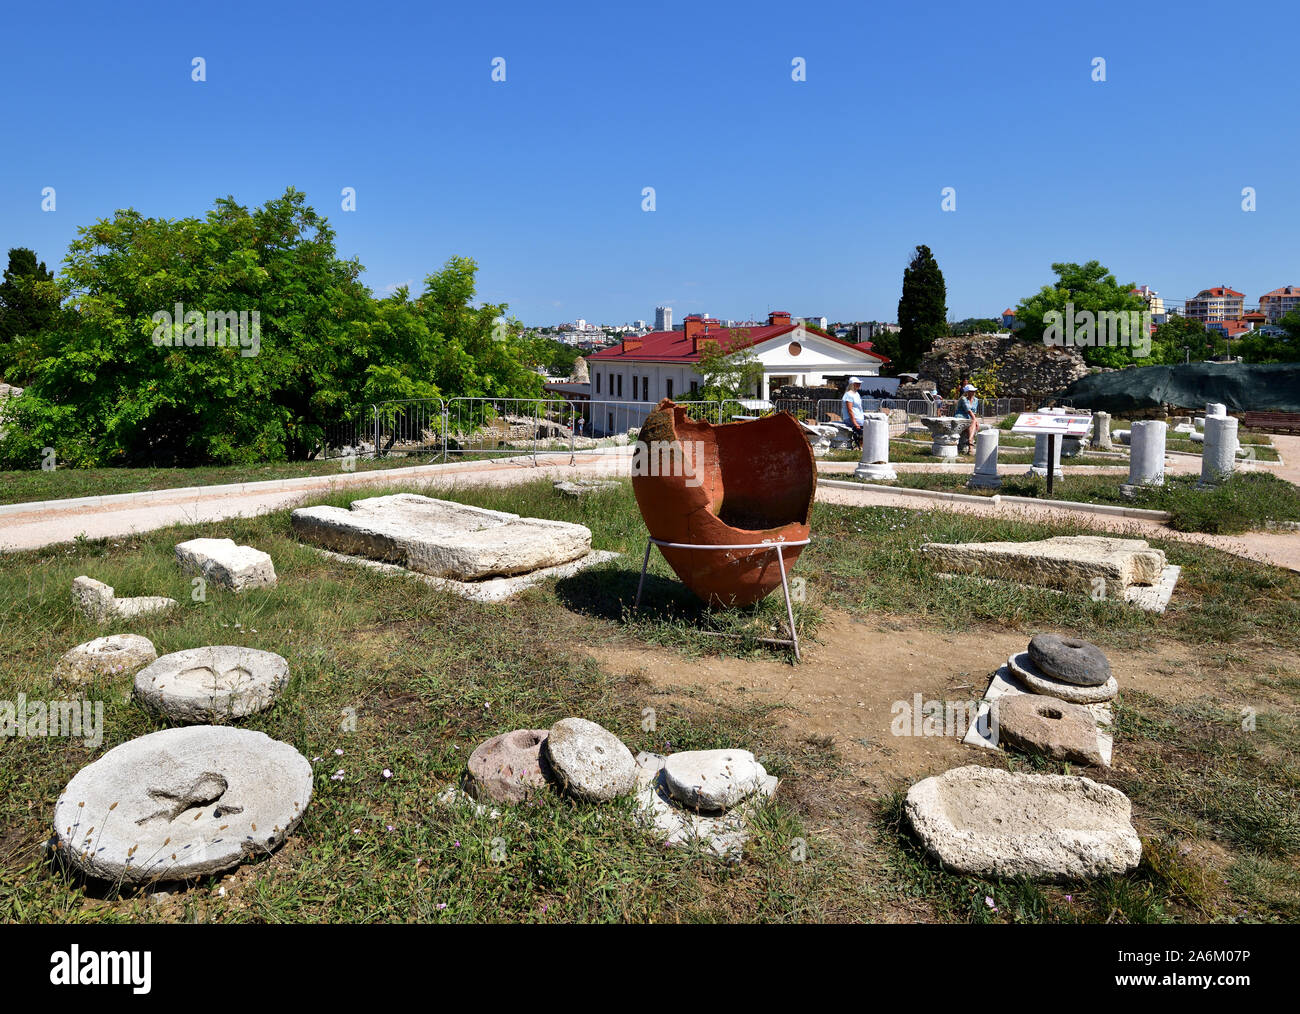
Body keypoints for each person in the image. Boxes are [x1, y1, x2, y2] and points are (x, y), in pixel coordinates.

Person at [955, 383, 980, 454]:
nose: (973, 392)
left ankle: (970, 441)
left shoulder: (976, 400)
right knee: (972, 422)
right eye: (971, 391)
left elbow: (974, 412)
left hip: (970, 417)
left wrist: (975, 420)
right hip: (961, 416)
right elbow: (968, 410)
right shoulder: (963, 399)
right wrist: (975, 420)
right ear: (967, 392)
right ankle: (971, 445)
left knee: (972, 422)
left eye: (973, 391)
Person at [841, 377, 864, 447]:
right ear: (852, 384)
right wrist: (855, 423)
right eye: (857, 384)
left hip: (858, 418)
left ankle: (860, 445)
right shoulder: (848, 395)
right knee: (863, 431)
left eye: (859, 384)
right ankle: (860, 445)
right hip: (851, 418)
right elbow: (850, 410)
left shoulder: (857, 394)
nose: (859, 385)